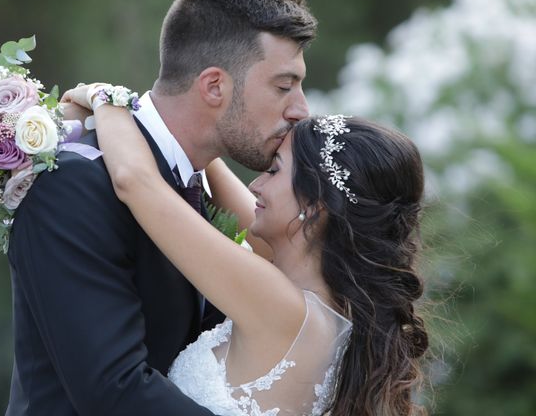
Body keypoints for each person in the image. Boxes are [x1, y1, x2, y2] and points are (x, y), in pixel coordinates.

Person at [5, 0, 316, 415]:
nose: (300, 108)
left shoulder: (194, 184)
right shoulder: (74, 184)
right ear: (214, 87)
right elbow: (113, 389)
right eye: (284, 86)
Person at [63, 89, 429, 415]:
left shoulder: (282, 306)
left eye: (273, 170)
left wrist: (106, 100)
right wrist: (192, 122)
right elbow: (208, 166)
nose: (256, 184)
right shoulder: (319, 302)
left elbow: (136, 183)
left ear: (315, 208)